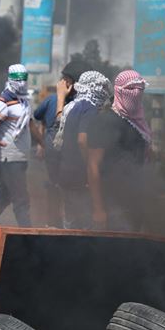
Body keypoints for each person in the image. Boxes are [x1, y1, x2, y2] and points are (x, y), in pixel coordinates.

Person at [87, 69, 150, 231]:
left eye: (140, 90)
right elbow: (93, 166)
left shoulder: (139, 122)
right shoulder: (105, 121)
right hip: (111, 202)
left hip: (135, 202)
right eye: (130, 89)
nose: (136, 93)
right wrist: (98, 208)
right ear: (118, 90)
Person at [34, 60, 89, 227]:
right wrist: (41, 143)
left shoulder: (79, 107)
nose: (61, 83)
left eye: (65, 79)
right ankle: (55, 224)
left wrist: (60, 97)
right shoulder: (53, 101)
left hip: (69, 161)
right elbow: (39, 117)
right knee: (56, 188)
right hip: (56, 156)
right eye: (62, 78)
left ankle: (62, 226)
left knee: (65, 192)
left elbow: (61, 125)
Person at [54, 70, 112, 229]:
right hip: (78, 176)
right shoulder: (91, 109)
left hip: (65, 172)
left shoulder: (73, 107)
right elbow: (82, 140)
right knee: (83, 227)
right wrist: (90, 164)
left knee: (70, 224)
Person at [0, 64, 34, 227]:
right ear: (10, 79)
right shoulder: (2, 101)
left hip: (20, 158)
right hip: (8, 158)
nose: (21, 82)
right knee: (21, 199)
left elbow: (30, 126)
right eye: (17, 79)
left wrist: (43, 145)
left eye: (24, 79)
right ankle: (28, 236)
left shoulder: (24, 102)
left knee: (3, 196)